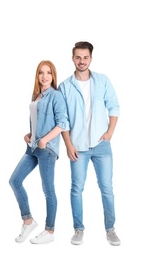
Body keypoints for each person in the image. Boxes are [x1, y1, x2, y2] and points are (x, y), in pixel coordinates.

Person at [58, 41, 121, 246]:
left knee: (107, 188)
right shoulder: (65, 86)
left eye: (86, 57)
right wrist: (68, 144)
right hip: (77, 147)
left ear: (91, 58)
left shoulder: (103, 81)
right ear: (73, 58)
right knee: (76, 188)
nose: (82, 61)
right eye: (78, 57)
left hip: (101, 145)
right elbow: (63, 119)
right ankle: (78, 229)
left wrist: (110, 132)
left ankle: (110, 229)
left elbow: (114, 106)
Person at [9, 60, 67, 244]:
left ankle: (49, 231)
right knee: (15, 180)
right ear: (37, 75)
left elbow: (63, 124)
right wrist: (30, 135)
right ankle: (28, 220)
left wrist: (44, 140)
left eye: (48, 72)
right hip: (32, 147)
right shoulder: (37, 96)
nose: (44, 76)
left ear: (53, 75)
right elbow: (37, 122)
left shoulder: (55, 96)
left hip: (46, 149)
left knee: (48, 191)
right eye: (41, 72)